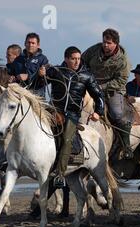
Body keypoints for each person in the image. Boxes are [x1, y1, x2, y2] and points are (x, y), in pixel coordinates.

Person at [39, 46, 105, 188]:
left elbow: (99, 96)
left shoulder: (87, 76)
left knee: (67, 139)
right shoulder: (55, 71)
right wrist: (40, 75)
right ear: (66, 59)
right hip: (54, 111)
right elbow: (38, 84)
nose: (77, 62)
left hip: (72, 114)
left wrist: (98, 112)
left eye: (79, 59)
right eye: (73, 59)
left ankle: (60, 175)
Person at [82, 28, 133, 159]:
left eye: (109, 43)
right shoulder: (94, 50)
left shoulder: (123, 60)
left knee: (117, 113)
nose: (105, 45)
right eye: (104, 42)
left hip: (113, 90)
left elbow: (121, 80)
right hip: (90, 85)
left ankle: (126, 146)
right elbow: (82, 61)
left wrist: (101, 87)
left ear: (116, 43)